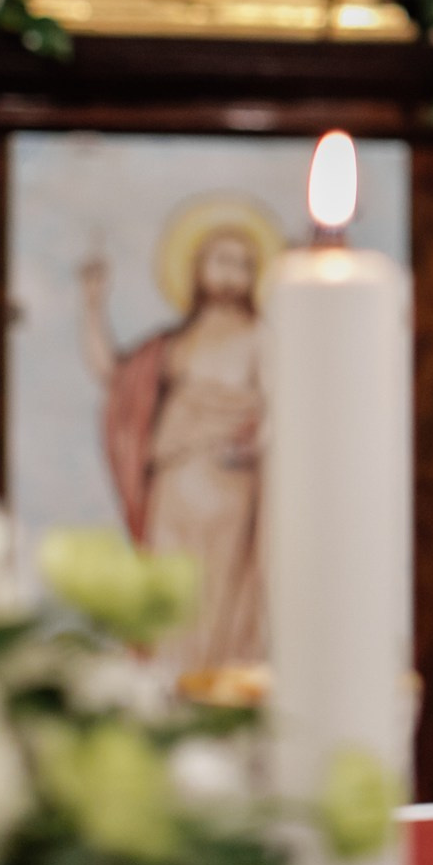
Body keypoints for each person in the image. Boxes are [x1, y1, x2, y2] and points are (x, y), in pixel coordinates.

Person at [81, 196, 283, 674]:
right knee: (172, 595)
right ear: (197, 269)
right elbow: (114, 374)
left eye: (244, 264)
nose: (232, 274)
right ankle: (168, 687)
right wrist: (92, 304)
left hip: (228, 488)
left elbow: (280, 408)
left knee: (218, 592)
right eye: (222, 260)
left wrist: (254, 443)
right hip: (171, 488)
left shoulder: (260, 337)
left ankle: (215, 684)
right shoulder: (176, 343)